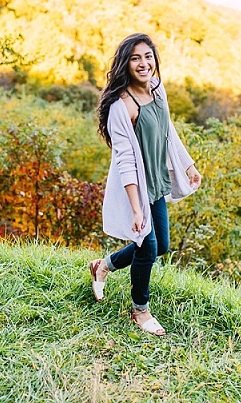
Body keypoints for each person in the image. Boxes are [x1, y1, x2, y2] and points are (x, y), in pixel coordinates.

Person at [90, 33, 201, 336]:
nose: (143, 63)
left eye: (148, 56)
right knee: (147, 245)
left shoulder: (156, 88)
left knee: (160, 245)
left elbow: (168, 131)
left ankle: (104, 265)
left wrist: (187, 164)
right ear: (125, 64)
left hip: (156, 182)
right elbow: (125, 160)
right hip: (134, 189)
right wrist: (137, 210)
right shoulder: (122, 106)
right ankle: (141, 310)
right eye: (135, 58)